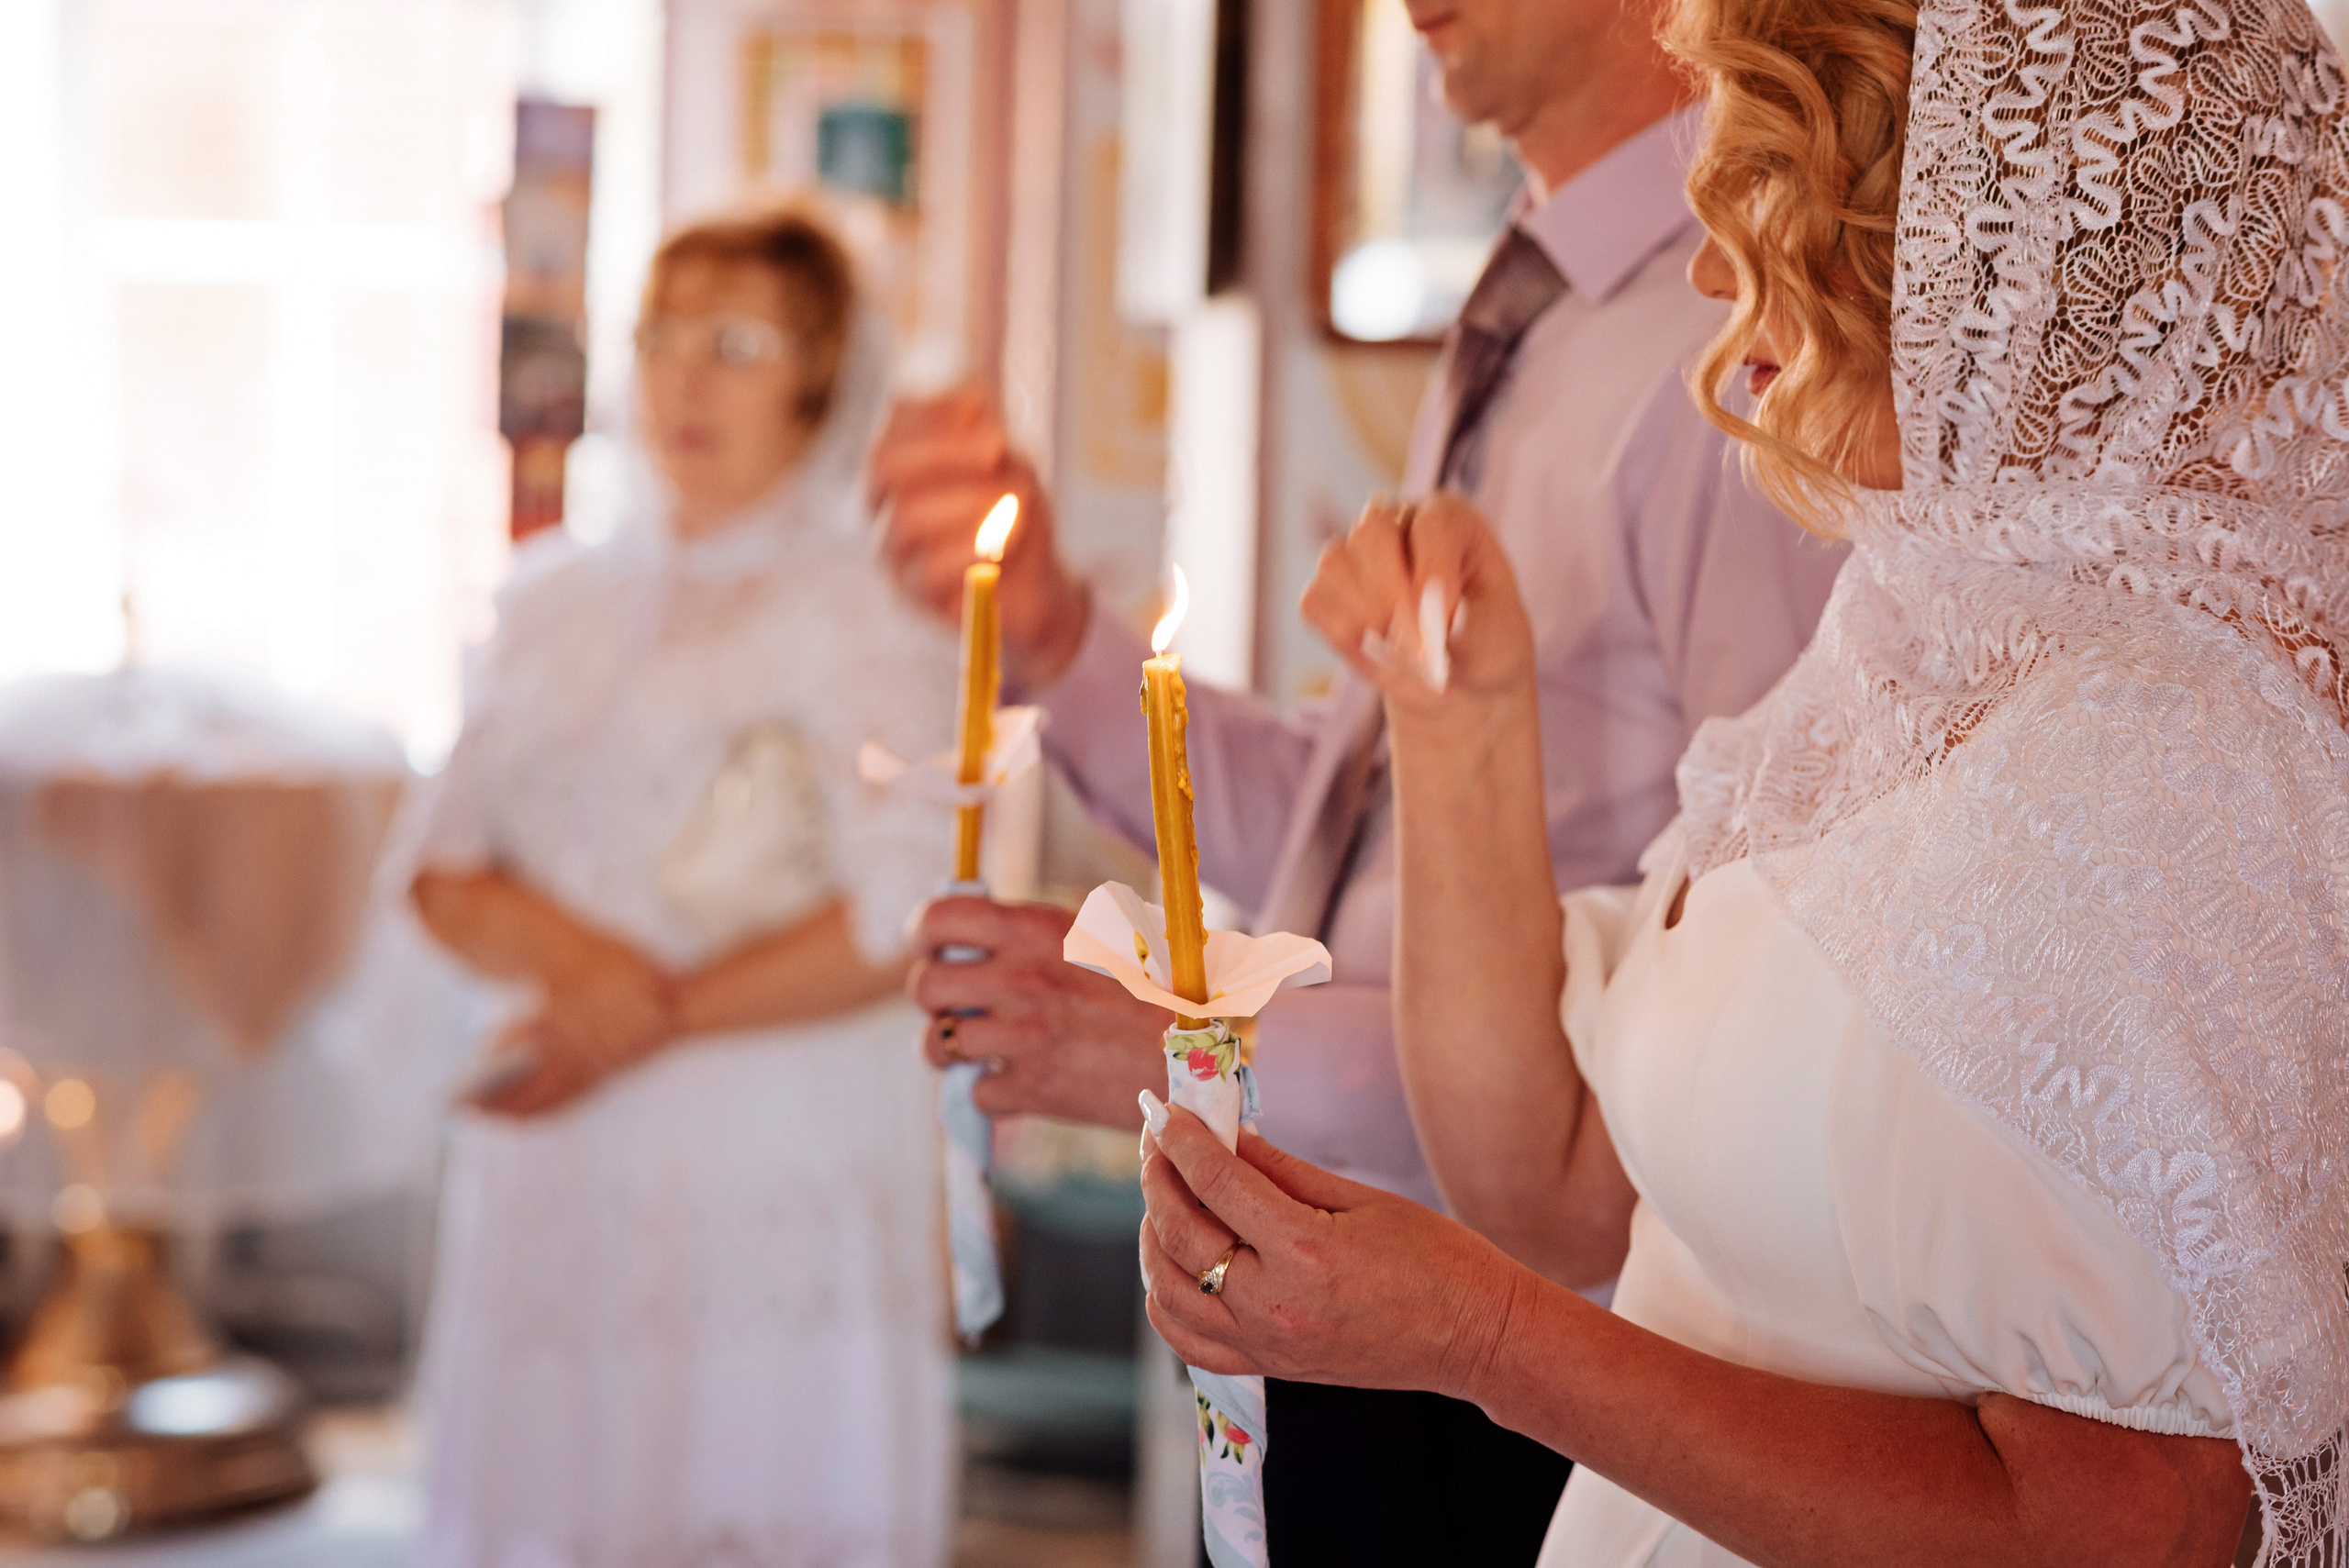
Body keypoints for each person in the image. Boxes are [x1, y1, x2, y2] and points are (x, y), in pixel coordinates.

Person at [1132, 0, 2349, 1557]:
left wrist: (1485, 1344)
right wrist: (1465, 727)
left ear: (1988, 259)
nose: (1711, 272)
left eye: (1761, 201)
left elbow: (2138, 1524)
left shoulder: (2164, 764)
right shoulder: (1905, 643)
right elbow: (1557, 1181)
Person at [872, 0, 1843, 1556]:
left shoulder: (1734, 341)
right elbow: (1358, 841)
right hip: (1342, 1292)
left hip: (1524, 1355)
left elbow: (1740, 1007)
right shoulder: (1544, 303)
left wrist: (1195, 1047)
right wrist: (1054, 634)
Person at [407, 207, 957, 1568]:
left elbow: (901, 911)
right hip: (562, 1134)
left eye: (737, 342)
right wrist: (589, 988)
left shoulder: (871, 605)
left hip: (773, 1125)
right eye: (664, 336)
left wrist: (639, 1017)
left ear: (820, 378)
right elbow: (438, 866)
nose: (686, 379)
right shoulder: (551, 597)